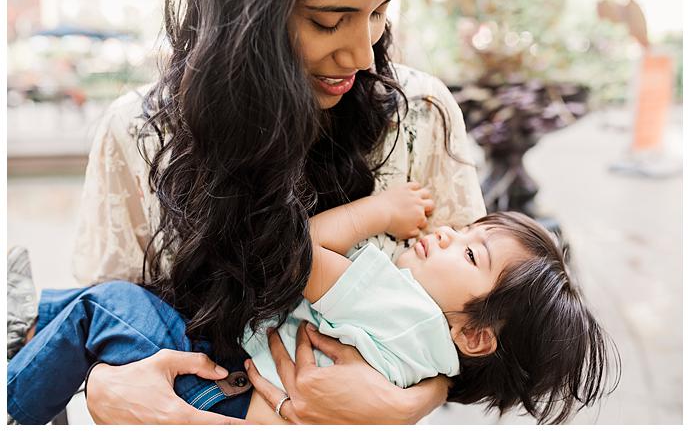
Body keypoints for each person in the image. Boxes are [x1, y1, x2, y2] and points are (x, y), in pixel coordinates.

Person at [68, 0, 489, 424]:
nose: (363, 55)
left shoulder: (421, 116)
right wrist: (102, 387)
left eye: (380, 12)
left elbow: (483, 328)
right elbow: (99, 324)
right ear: (240, 14)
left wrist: (407, 403)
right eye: (328, 22)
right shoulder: (137, 132)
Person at [8, 183, 619, 425]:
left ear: (478, 335)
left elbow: (297, 252)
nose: (448, 234)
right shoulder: (429, 354)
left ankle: (14, 397)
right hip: (236, 392)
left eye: (469, 256)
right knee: (108, 306)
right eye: (467, 229)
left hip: (217, 395)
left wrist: (377, 213)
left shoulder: (402, 308)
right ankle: (27, 316)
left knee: (108, 306)